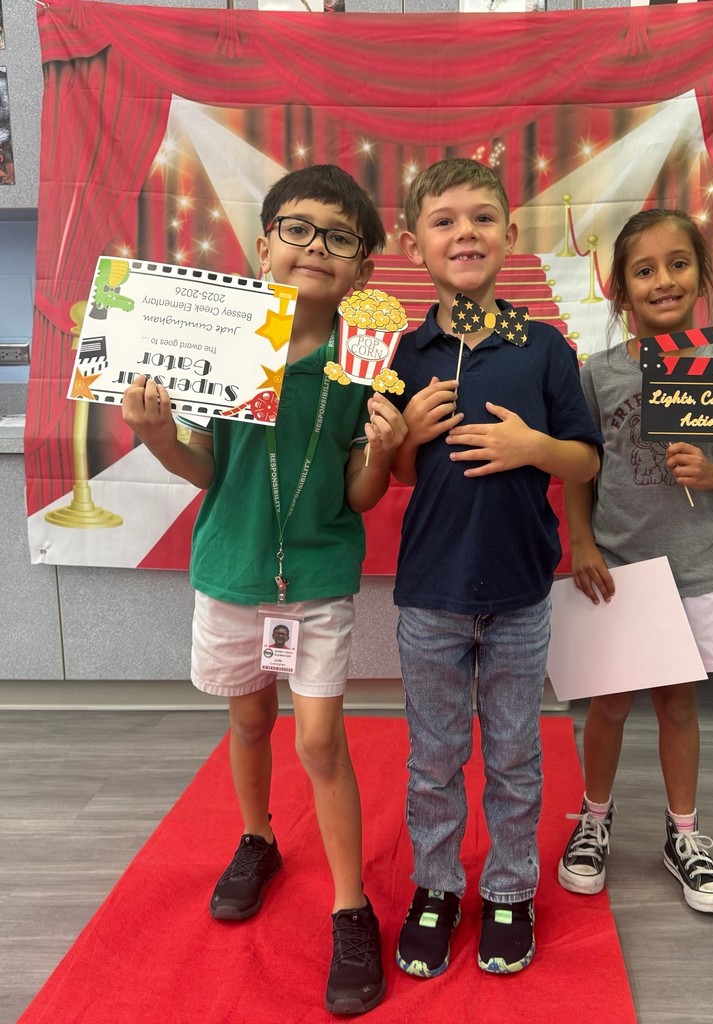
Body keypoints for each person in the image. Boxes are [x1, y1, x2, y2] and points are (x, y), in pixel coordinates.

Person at [121, 165, 406, 1015]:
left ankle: (351, 908)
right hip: (234, 571)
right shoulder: (225, 342)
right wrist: (158, 438)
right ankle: (258, 838)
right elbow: (204, 467)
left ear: (361, 269)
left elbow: (359, 496)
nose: (316, 246)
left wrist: (383, 453)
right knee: (248, 718)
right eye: (298, 228)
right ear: (263, 244)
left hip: (317, 576)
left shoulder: (366, 362)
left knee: (318, 740)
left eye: (341, 237)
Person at [389, 158, 603, 979]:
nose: (465, 232)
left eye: (482, 218)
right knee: (432, 757)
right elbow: (399, 478)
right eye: (444, 220)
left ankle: (510, 889)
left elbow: (584, 462)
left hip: (519, 594)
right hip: (430, 595)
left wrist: (532, 447)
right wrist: (406, 430)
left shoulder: (544, 347)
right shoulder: (406, 350)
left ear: (511, 236)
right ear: (415, 244)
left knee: (516, 754)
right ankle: (437, 887)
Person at [557, 208, 713, 915]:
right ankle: (593, 819)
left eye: (678, 264)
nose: (663, 280)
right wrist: (583, 543)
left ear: (702, 275)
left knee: (678, 703)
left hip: (691, 567)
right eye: (644, 270)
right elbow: (580, 471)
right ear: (620, 291)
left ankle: (684, 834)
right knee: (610, 705)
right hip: (617, 567)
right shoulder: (601, 374)